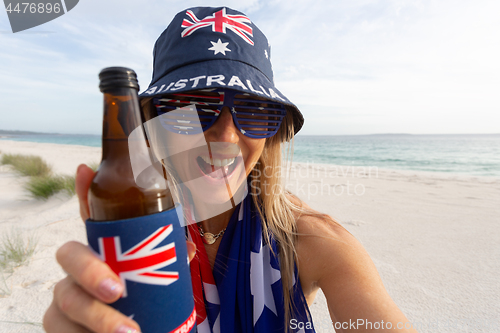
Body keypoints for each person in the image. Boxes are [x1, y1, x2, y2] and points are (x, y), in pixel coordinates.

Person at [43, 6, 418, 333]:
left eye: (255, 111)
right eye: (191, 103)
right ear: (152, 121)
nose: (224, 137)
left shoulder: (314, 244)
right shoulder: (140, 237)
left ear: (273, 135)